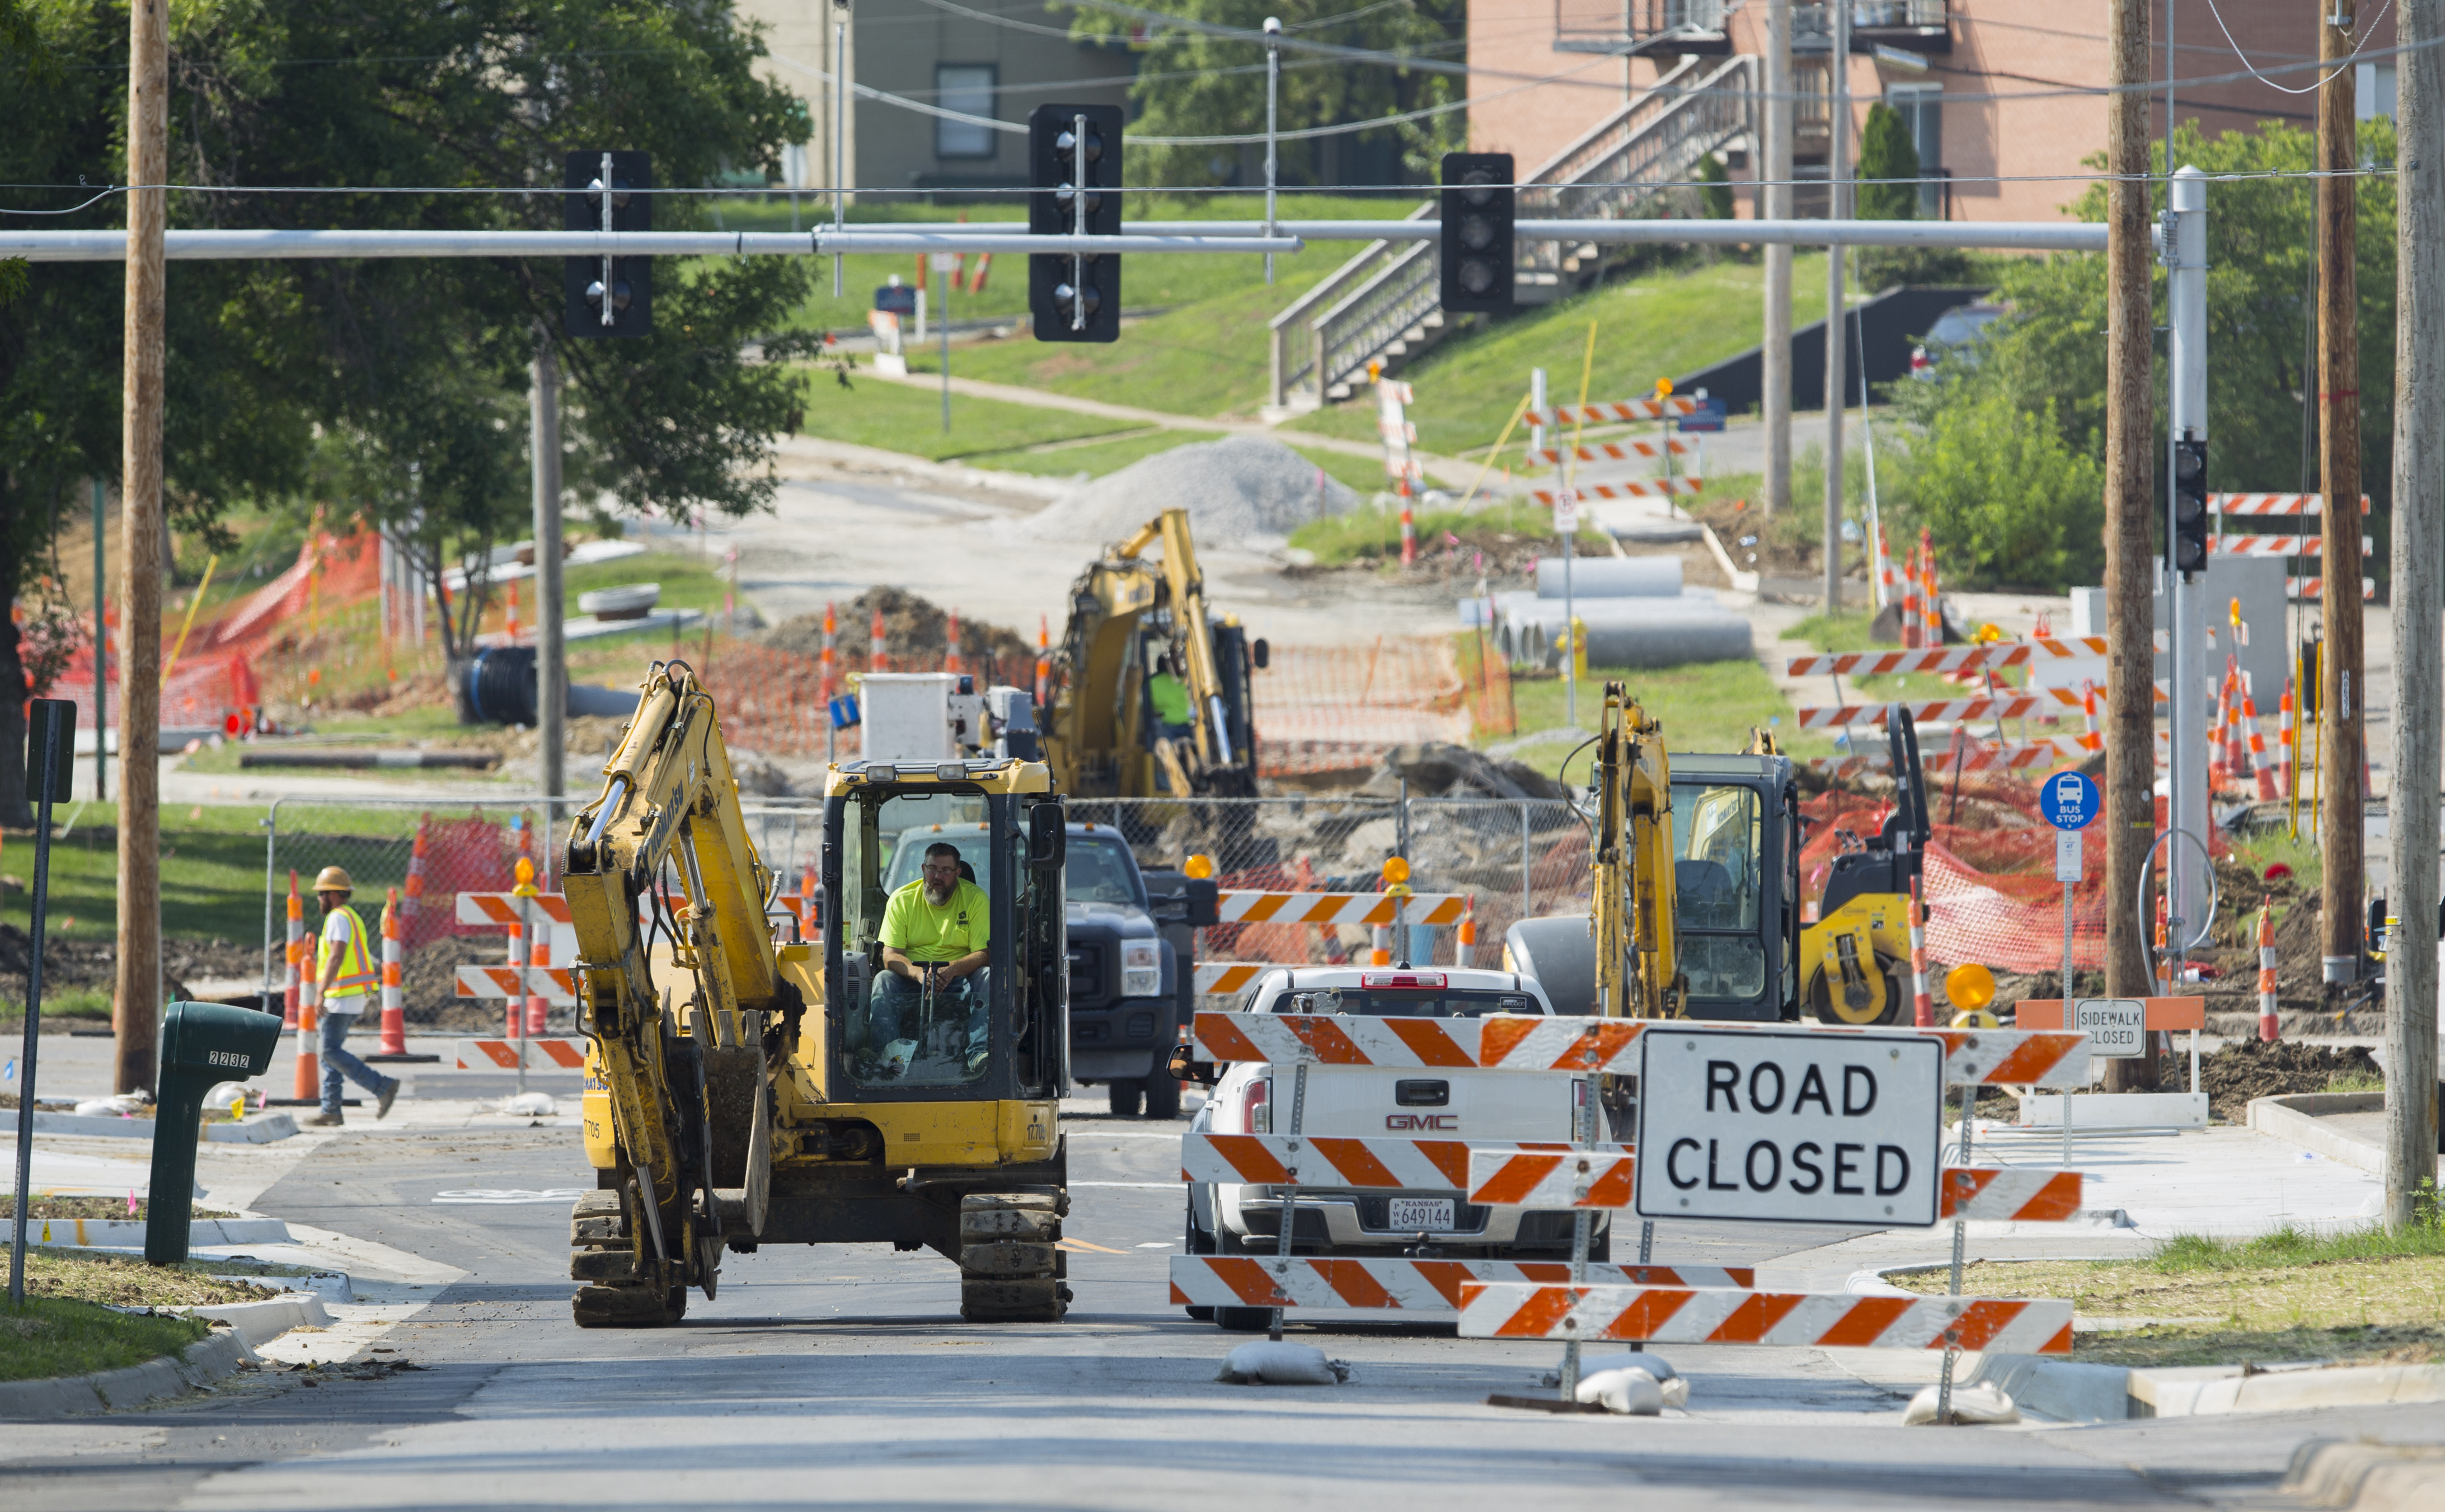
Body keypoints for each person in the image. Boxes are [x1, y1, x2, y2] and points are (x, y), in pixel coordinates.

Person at [869, 842, 990, 1077]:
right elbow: (890, 955)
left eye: (946, 871)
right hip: (913, 978)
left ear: (958, 873)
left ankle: (980, 1055)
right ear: (923, 869)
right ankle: (889, 1062)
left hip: (959, 979)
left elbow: (984, 954)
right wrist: (918, 974)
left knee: (987, 976)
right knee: (884, 980)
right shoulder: (901, 900)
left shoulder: (976, 900)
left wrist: (953, 969)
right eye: (933, 869)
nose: (938, 876)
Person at [304, 866, 399, 1126]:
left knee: (329, 1051)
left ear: (334, 895)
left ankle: (382, 1086)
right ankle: (331, 1110)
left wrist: (321, 992)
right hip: (349, 996)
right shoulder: (351, 916)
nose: (319, 899)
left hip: (340, 997)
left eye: (322, 894)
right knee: (330, 1054)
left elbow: (336, 955)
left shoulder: (337, 918)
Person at [1146, 653, 1195, 743]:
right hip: (1189, 725)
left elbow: (1149, 708)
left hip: (1167, 726)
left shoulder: (1152, 682)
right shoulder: (1187, 680)